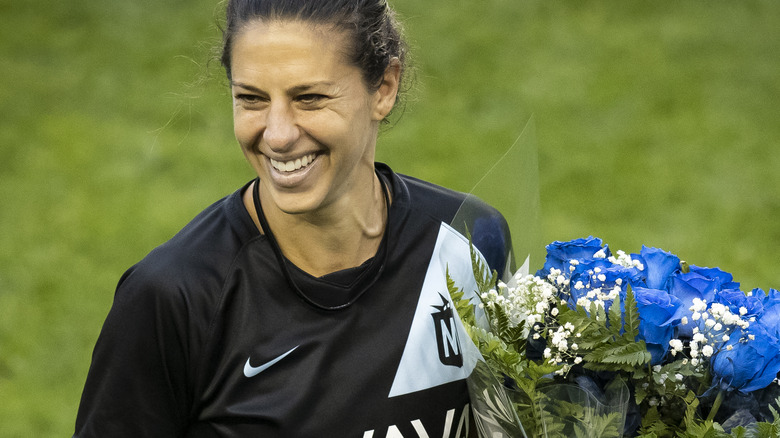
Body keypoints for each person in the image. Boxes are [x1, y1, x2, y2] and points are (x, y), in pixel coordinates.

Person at [74, 0, 512, 436]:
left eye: (309, 99)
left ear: (384, 88)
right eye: (251, 99)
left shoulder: (469, 239)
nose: (278, 134)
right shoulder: (174, 298)